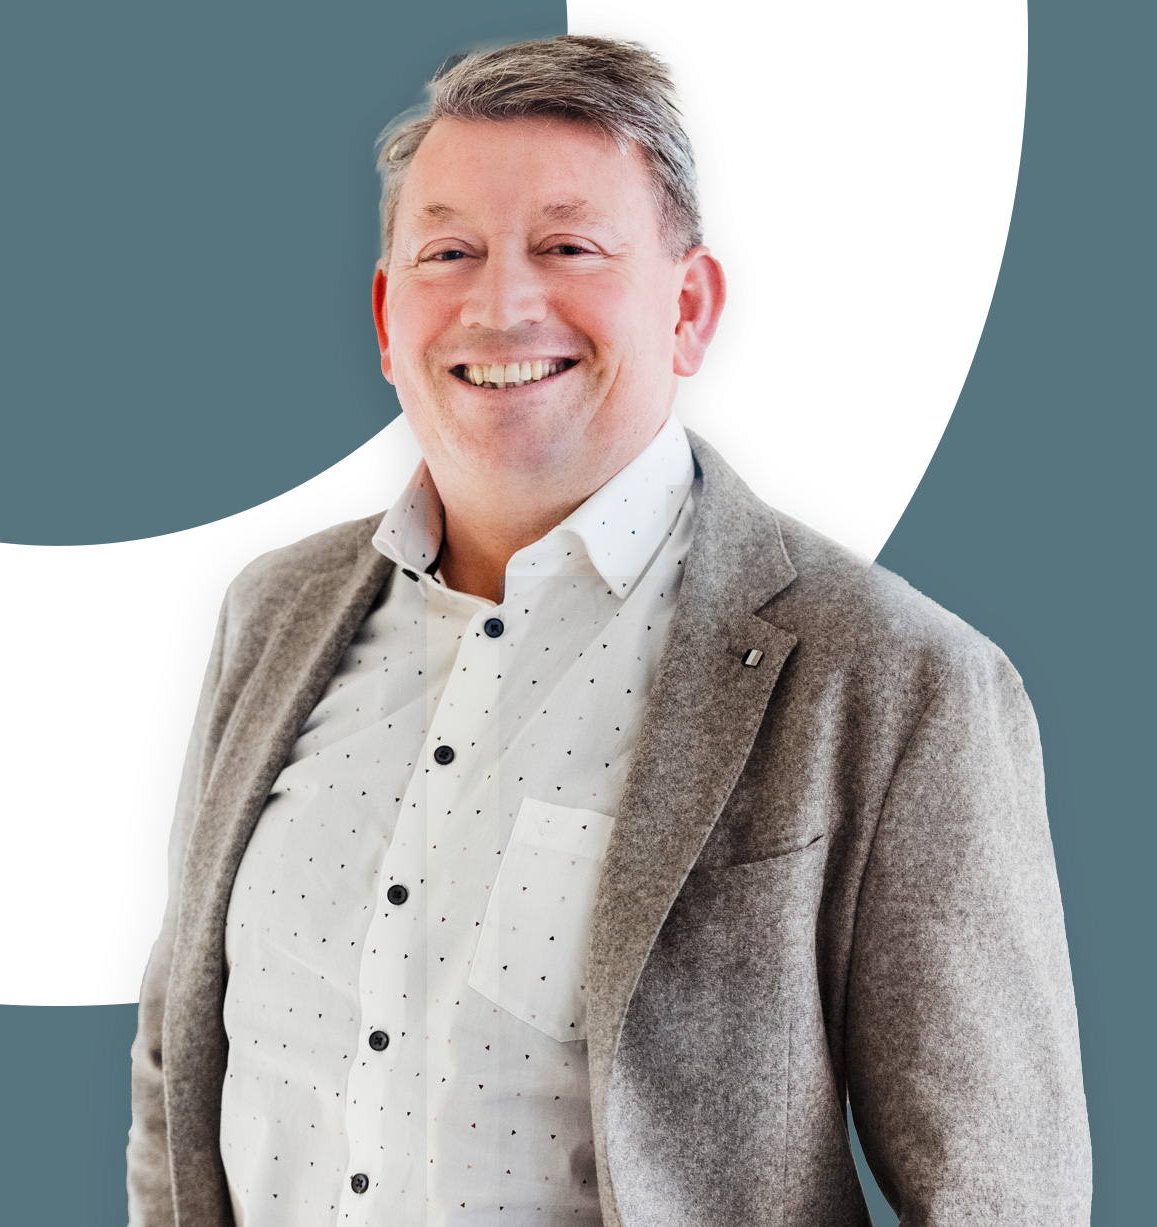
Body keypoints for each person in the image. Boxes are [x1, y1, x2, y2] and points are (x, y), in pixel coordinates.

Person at [127, 34, 1091, 1227]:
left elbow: (1002, 1195)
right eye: (448, 253)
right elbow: (180, 1060)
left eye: (567, 247)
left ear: (687, 307)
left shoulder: (895, 681)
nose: (500, 304)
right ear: (385, 315)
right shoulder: (271, 614)